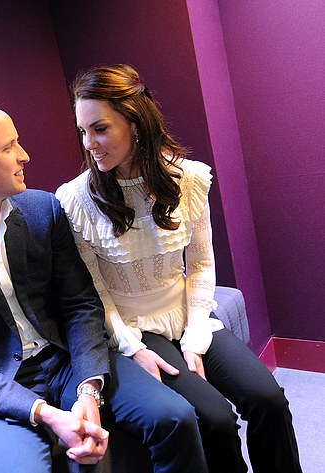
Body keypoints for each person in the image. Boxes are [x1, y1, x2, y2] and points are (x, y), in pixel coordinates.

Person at [0, 100, 208, 473]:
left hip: (65, 359)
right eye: (8, 147)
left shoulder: (43, 209)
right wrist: (47, 415)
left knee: (176, 418)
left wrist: (88, 389)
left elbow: (80, 304)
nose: (24, 155)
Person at [55, 64, 303, 473]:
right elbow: (95, 292)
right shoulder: (76, 199)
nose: (90, 143)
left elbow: (202, 263)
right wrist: (133, 348)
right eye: (83, 132)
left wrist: (195, 334)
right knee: (216, 419)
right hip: (133, 326)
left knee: (269, 400)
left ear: (134, 123)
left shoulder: (188, 179)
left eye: (99, 128)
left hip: (187, 314)